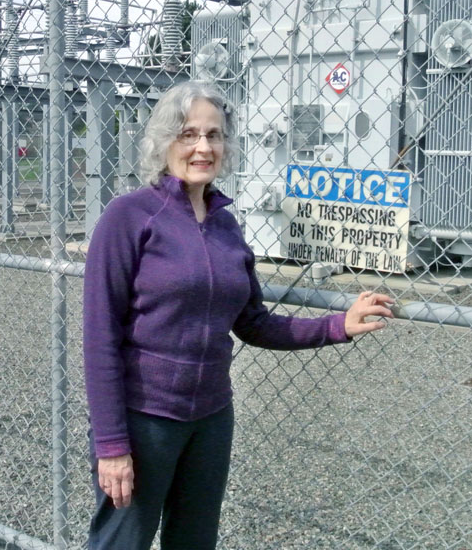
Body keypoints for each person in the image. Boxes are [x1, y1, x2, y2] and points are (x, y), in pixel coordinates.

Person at [83, 81, 394, 550]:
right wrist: (111, 446)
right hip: (146, 418)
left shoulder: (226, 224)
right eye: (189, 134)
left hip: (210, 418)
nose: (203, 147)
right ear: (166, 140)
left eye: (215, 135)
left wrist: (336, 325)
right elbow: (100, 338)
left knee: (194, 542)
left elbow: (252, 322)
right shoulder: (129, 216)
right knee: (121, 544)